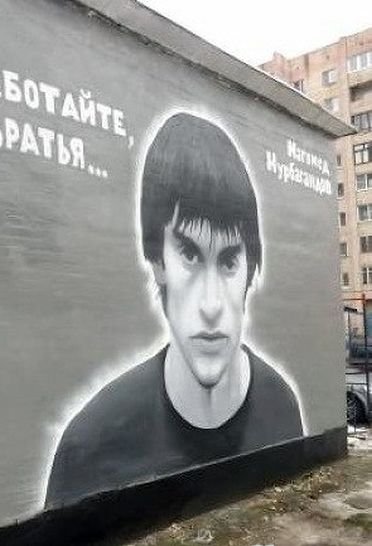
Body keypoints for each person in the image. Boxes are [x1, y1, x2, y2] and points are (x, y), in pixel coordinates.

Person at [45, 113, 303, 509]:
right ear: (157, 261)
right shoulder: (91, 444)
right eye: (189, 254)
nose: (211, 305)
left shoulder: (281, 405)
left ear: (250, 269)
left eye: (229, 260)